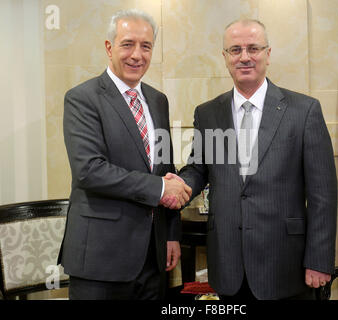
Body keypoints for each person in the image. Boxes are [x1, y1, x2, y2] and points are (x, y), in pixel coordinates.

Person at [163, 19, 338, 300]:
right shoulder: (208, 113)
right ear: (225, 57)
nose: (244, 57)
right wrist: (177, 184)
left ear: (268, 54)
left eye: (253, 48)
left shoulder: (304, 111)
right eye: (235, 50)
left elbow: (323, 195)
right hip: (228, 266)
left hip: (286, 265)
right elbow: (198, 167)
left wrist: (318, 260)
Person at [58, 9, 191, 300]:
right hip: (100, 260)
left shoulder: (158, 101)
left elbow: (164, 169)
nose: (137, 55)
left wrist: (171, 234)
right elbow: (89, 170)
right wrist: (160, 188)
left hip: (152, 258)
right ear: (109, 47)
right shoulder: (82, 98)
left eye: (146, 46)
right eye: (127, 44)